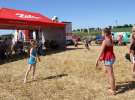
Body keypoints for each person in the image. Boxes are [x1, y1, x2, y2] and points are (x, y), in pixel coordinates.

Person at [96, 28, 116, 95]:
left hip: (108, 59)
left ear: (105, 33)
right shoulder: (110, 39)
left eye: (102, 32)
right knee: (108, 72)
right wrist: (102, 58)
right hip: (112, 57)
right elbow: (107, 50)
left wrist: (97, 60)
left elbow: (101, 52)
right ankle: (111, 86)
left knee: (110, 74)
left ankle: (113, 90)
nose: (101, 34)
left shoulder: (105, 41)